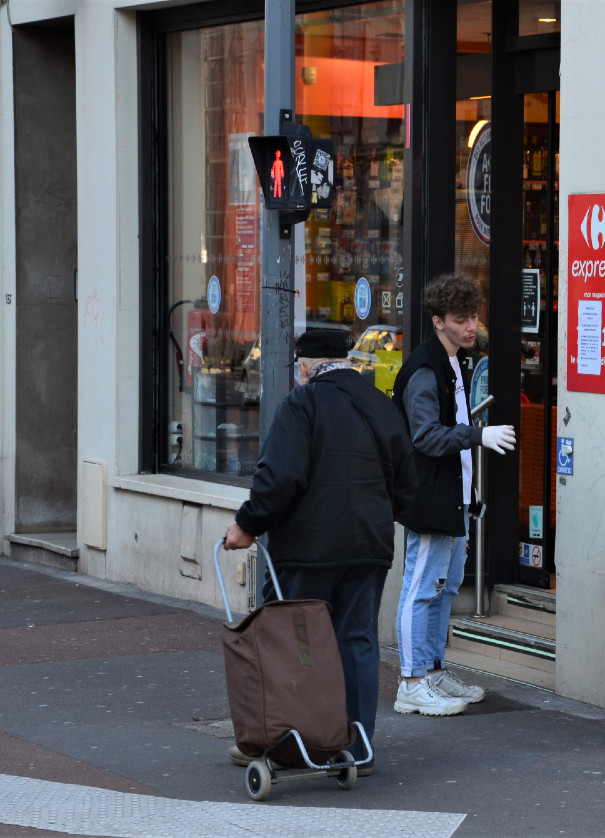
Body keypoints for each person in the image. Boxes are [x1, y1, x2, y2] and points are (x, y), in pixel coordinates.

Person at [223, 328, 415, 774]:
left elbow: (279, 477)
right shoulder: (381, 406)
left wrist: (247, 525)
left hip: (308, 547)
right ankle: (357, 747)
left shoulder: (302, 403)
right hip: (369, 544)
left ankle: (293, 743)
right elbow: (408, 484)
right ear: (345, 360)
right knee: (358, 641)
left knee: (294, 643)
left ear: (305, 367)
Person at [391, 273, 516, 716]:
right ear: (438, 320)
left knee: (443, 588)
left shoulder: (451, 362)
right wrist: (479, 436)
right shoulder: (428, 369)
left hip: (452, 495)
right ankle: (412, 681)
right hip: (431, 496)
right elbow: (425, 436)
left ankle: (431, 671)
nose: (471, 326)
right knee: (422, 587)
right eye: (462, 319)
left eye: (474, 317)